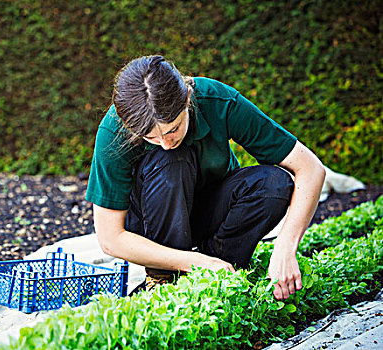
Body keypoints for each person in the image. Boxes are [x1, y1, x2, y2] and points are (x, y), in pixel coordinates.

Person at [85, 55, 325, 301]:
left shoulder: (219, 101)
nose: (165, 143)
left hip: (207, 209)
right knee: (170, 158)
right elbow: (110, 238)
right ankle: (163, 279)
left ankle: (222, 270)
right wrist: (192, 261)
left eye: (173, 129)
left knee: (274, 183)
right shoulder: (114, 130)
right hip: (153, 221)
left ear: (188, 98)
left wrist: (285, 248)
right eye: (151, 138)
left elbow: (311, 169)